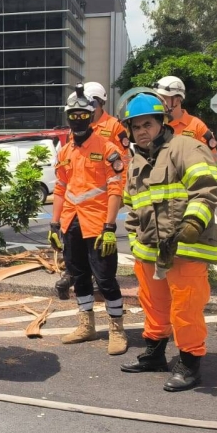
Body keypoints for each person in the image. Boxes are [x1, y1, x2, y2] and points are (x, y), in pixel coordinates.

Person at [119, 94, 217, 392]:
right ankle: (154, 354)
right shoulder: (136, 162)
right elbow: (133, 206)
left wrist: (192, 224)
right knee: (154, 305)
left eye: (147, 124)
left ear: (162, 122)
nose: (141, 131)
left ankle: (190, 363)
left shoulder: (186, 147)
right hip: (149, 250)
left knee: (186, 308)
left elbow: (205, 191)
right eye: (135, 126)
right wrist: (135, 241)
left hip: (185, 248)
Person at [48, 86, 128, 354]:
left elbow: (116, 188)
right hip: (71, 223)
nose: (78, 119)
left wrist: (110, 226)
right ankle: (87, 325)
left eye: (83, 114)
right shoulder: (65, 151)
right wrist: (54, 224)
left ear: (92, 114)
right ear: (68, 116)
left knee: (105, 279)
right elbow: (60, 188)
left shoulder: (108, 149)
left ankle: (117, 328)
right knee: (79, 276)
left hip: (97, 224)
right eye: (73, 114)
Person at [153, 76, 217, 158]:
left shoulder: (197, 126)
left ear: (177, 100)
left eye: (163, 99)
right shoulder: (155, 125)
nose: (158, 103)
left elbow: (213, 157)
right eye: (157, 99)